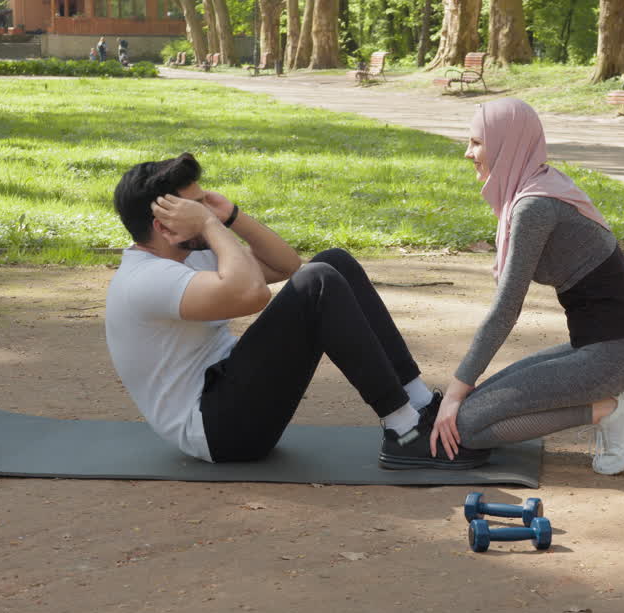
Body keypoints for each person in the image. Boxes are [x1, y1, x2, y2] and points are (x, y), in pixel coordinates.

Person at [106, 154, 464, 469]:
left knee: (333, 262)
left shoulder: (187, 252)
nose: (203, 211)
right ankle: (403, 432)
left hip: (231, 390)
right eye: (194, 207)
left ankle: (418, 405)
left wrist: (230, 217)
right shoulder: (147, 280)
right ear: (164, 224)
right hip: (218, 431)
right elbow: (253, 295)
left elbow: (285, 265)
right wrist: (209, 226)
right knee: (318, 281)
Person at [429, 99, 624, 476]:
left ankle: (614, 409)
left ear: (506, 142)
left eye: (476, 141)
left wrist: (453, 392)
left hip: (615, 354)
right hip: (603, 346)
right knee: (477, 402)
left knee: (468, 425)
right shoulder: (540, 186)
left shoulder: (535, 207)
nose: (468, 152)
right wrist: (462, 389)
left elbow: (506, 309)